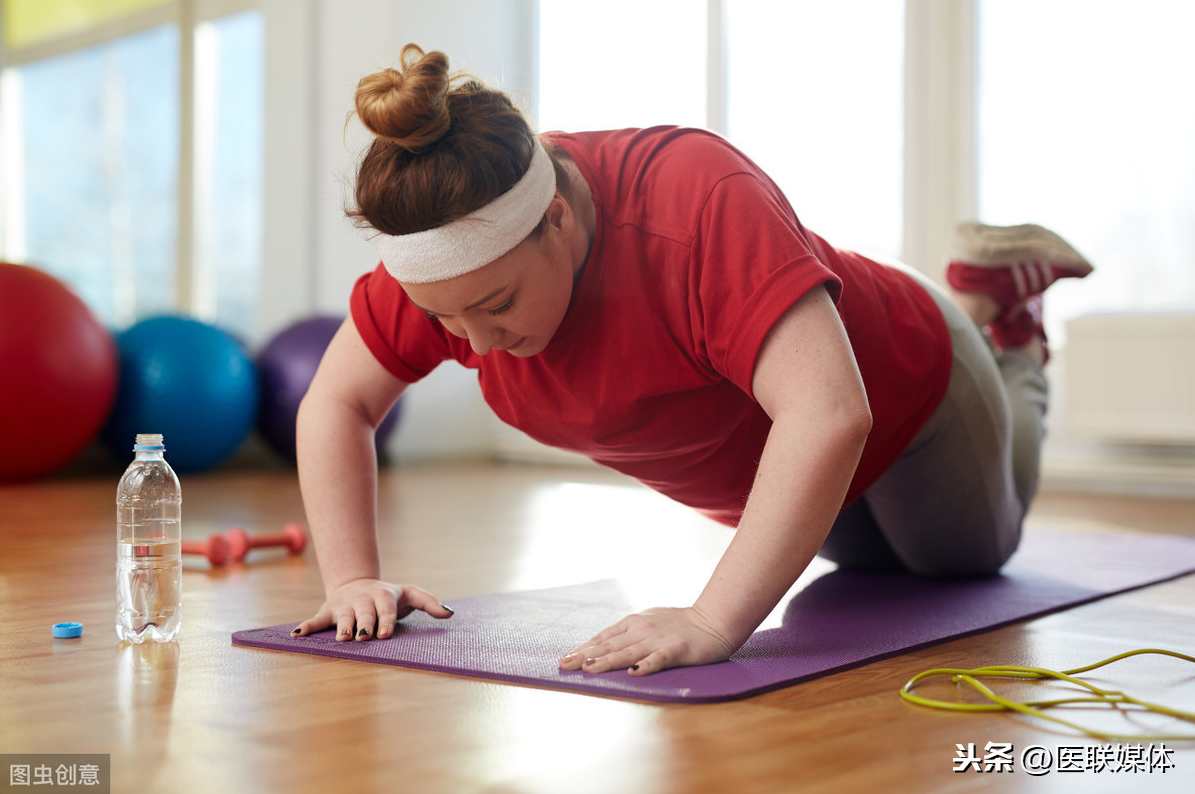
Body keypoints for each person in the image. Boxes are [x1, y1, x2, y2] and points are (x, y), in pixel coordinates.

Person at [288, 44, 1093, 677]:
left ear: (559, 222)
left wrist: (711, 620)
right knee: (871, 572)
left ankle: (1005, 333)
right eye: (444, 319)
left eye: (497, 307)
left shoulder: (693, 199)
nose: (475, 342)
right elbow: (335, 403)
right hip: (805, 460)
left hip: (917, 385)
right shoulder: (447, 266)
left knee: (954, 562)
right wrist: (351, 579)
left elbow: (828, 412)